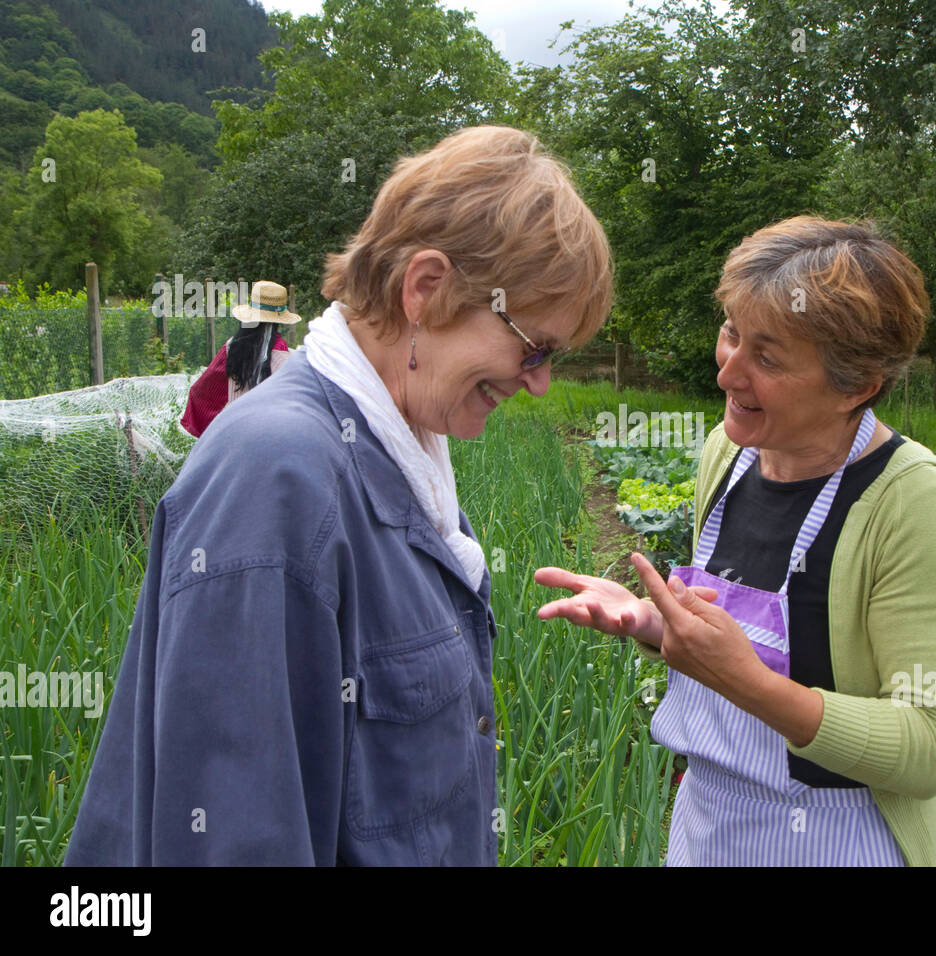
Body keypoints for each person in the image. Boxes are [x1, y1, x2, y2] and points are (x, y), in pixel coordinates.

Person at [64, 125, 613, 865]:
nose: (540, 379)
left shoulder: (405, 451)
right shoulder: (278, 476)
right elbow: (233, 838)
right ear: (426, 288)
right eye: (533, 346)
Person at [536, 216, 936, 866]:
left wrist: (748, 683)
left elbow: (930, 749)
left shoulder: (912, 503)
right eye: (731, 333)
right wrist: (651, 623)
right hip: (708, 827)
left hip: (834, 840)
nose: (727, 372)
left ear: (856, 386)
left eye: (766, 357)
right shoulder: (729, 453)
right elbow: (731, 641)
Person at [180, 280, 298, 438]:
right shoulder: (284, 356)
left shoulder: (232, 347)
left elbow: (203, 391)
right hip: (269, 435)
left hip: (233, 432)